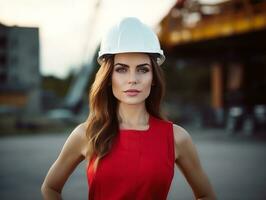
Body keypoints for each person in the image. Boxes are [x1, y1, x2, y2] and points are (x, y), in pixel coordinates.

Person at [41, 17, 216, 200]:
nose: (133, 79)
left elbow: (206, 195)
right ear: (108, 78)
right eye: (122, 69)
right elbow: (50, 188)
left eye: (143, 70)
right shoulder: (86, 134)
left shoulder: (176, 138)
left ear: (153, 78)